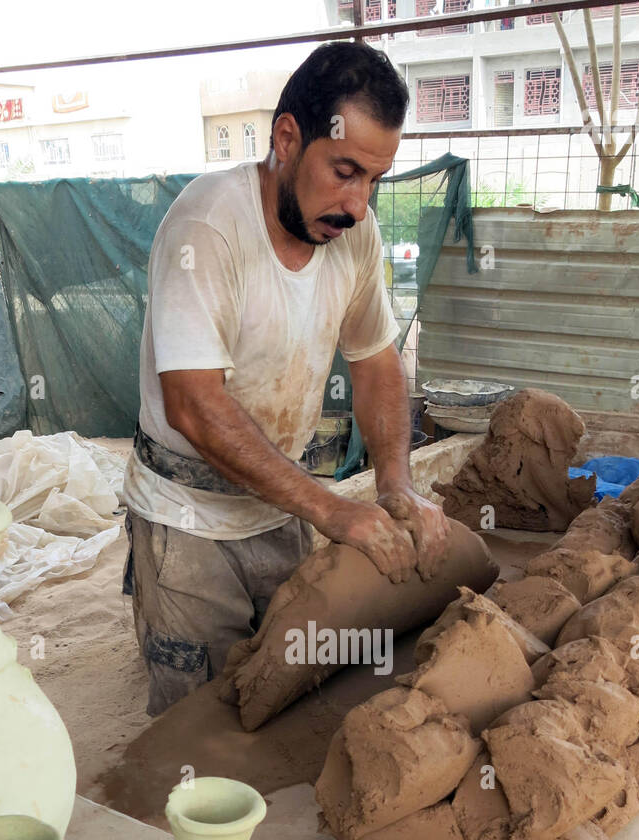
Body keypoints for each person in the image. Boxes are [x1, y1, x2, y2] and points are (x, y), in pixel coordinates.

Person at [123, 40, 450, 715]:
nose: (358, 204)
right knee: (198, 722)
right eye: (344, 171)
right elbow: (192, 405)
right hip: (188, 523)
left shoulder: (352, 236)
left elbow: (376, 362)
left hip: (278, 505)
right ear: (286, 138)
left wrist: (395, 484)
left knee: (286, 689)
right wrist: (332, 509)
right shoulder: (208, 226)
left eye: (374, 180)